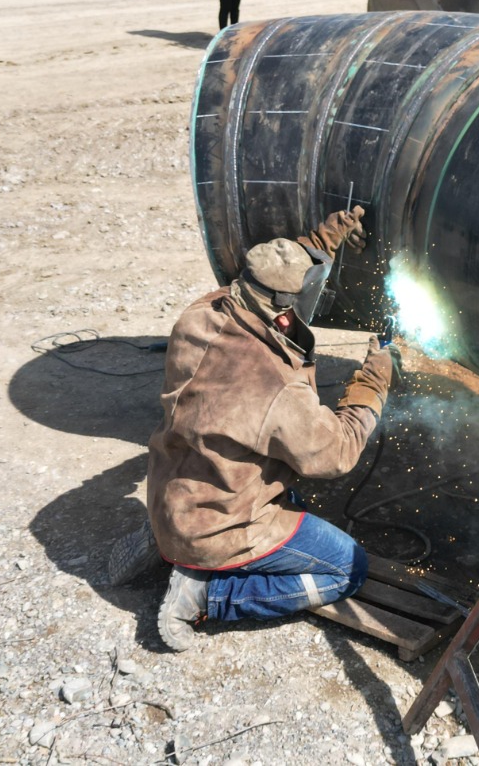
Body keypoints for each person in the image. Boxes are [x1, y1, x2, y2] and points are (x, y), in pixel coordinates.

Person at [123, 206, 394, 651]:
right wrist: (375, 377)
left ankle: (176, 546)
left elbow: (280, 270)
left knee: (289, 492)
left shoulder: (202, 312)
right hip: (218, 524)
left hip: (171, 495)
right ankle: (207, 595)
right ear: (286, 316)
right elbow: (338, 452)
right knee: (347, 569)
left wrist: (328, 236)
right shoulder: (275, 387)